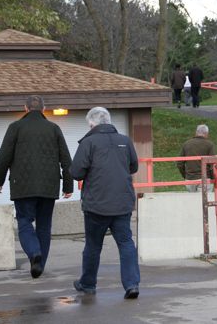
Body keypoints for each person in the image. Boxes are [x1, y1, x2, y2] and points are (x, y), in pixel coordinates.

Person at [0, 95, 73, 279]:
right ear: (44, 109)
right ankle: (39, 265)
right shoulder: (54, 128)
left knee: (24, 221)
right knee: (44, 226)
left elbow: (3, 157)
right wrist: (68, 186)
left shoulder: (15, 127)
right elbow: (66, 159)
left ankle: (34, 254)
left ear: (25, 108)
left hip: (22, 186)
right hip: (48, 186)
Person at [70, 107, 140, 299]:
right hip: (122, 202)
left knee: (93, 246)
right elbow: (133, 166)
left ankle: (88, 284)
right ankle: (132, 284)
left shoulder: (88, 142)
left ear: (91, 124)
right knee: (126, 243)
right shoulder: (125, 140)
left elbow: (76, 172)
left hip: (96, 204)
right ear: (109, 121)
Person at [177, 125, 216, 192]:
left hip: (189, 179)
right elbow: (212, 163)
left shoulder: (186, 144)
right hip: (205, 179)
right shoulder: (209, 144)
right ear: (206, 133)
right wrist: (213, 178)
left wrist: (185, 176)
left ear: (196, 132)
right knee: (204, 198)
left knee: (193, 198)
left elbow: (180, 163)